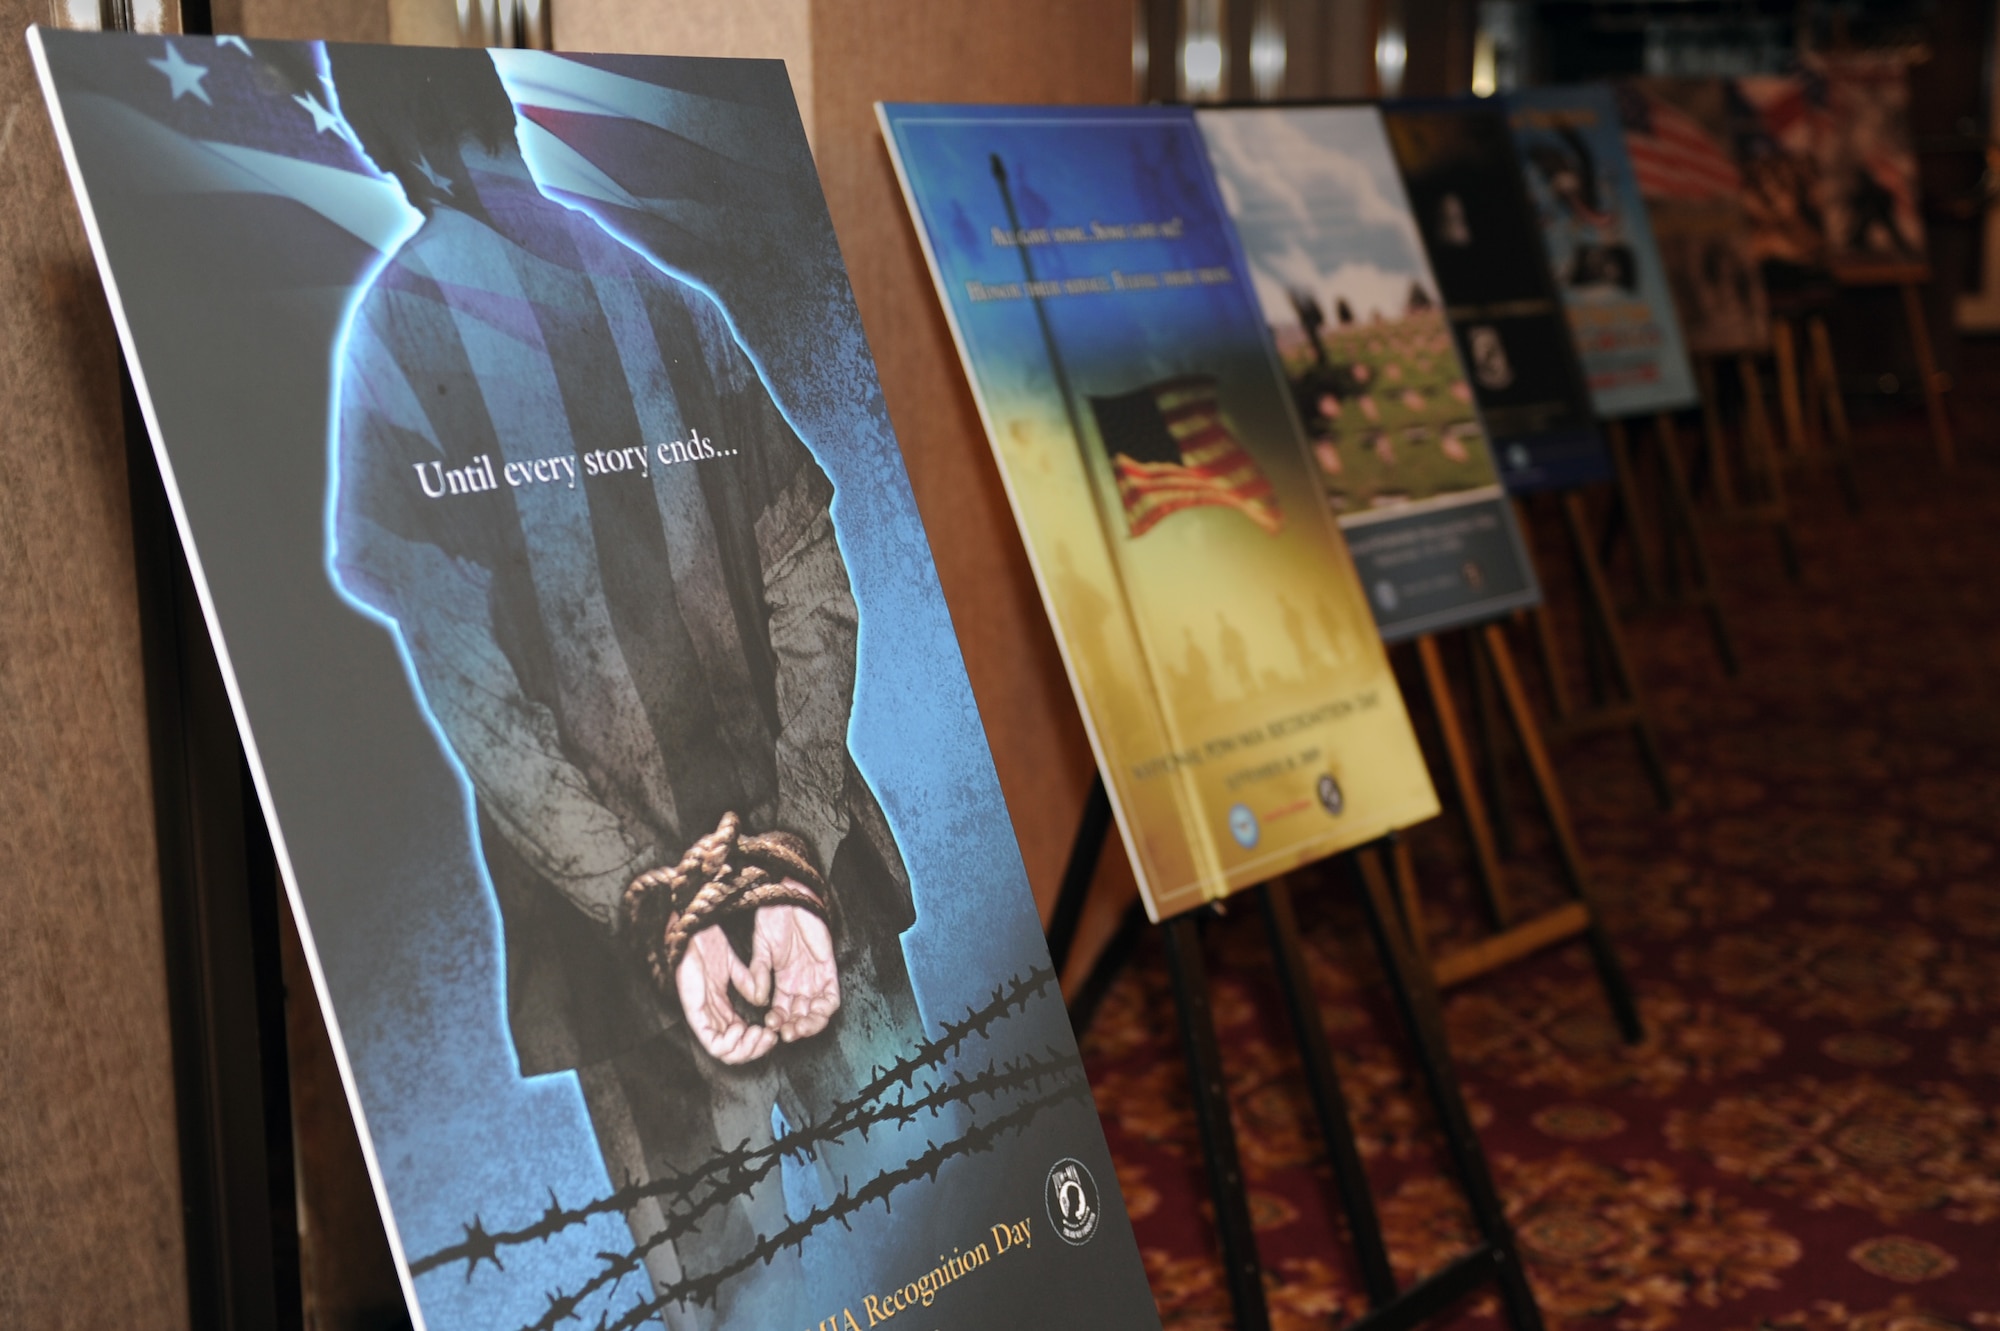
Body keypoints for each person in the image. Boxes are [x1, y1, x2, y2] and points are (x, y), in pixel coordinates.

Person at [322, 46, 923, 1329]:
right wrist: (791, 844)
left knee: (748, 1294)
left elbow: (469, 694)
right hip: (820, 894)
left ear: (396, 152)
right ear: (501, 118)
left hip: (633, 965)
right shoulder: (671, 295)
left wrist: (662, 900)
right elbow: (812, 576)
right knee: (934, 1218)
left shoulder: (390, 337)